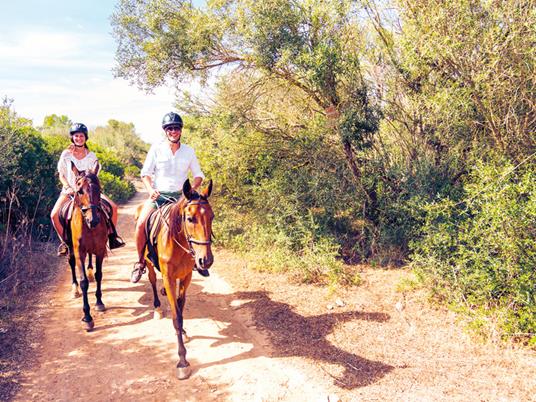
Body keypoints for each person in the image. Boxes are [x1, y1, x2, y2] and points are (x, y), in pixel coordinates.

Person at [130, 112, 206, 283]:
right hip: (159, 196)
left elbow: (198, 175)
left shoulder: (189, 151)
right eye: (170, 128)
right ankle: (140, 262)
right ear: (165, 131)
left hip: (181, 199)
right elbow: (145, 174)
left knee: (199, 222)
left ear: (181, 130)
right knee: (141, 223)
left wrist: (191, 189)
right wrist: (150, 190)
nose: (173, 131)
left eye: (176, 128)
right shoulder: (156, 149)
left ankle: (197, 261)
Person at [50, 123, 125, 256]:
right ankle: (66, 243)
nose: (79, 138)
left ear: (86, 138)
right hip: (69, 191)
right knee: (54, 215)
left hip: (89, 192)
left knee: (113, 207)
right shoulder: (66, 154)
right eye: (76, 136)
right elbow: (61, 174)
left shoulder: (91, 156)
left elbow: (94, 176)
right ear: (72, 138)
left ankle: (111, 237)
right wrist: (68, 187)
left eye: (81, 136)